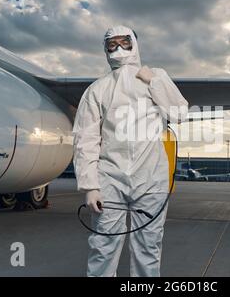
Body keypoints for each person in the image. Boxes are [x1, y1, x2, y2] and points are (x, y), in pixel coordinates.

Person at [72, 25, 189, 277]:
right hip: (109, 179)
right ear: (105, 49)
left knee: (148, 246)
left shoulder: (155, 76)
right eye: (111, 44)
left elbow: (179, 113)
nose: (118, 49)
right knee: (103, 245)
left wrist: (155, 81)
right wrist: (90, 185)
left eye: (124, 42)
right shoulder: (97, 89)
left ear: (135, 43)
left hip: (151, 179)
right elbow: (85, 139)